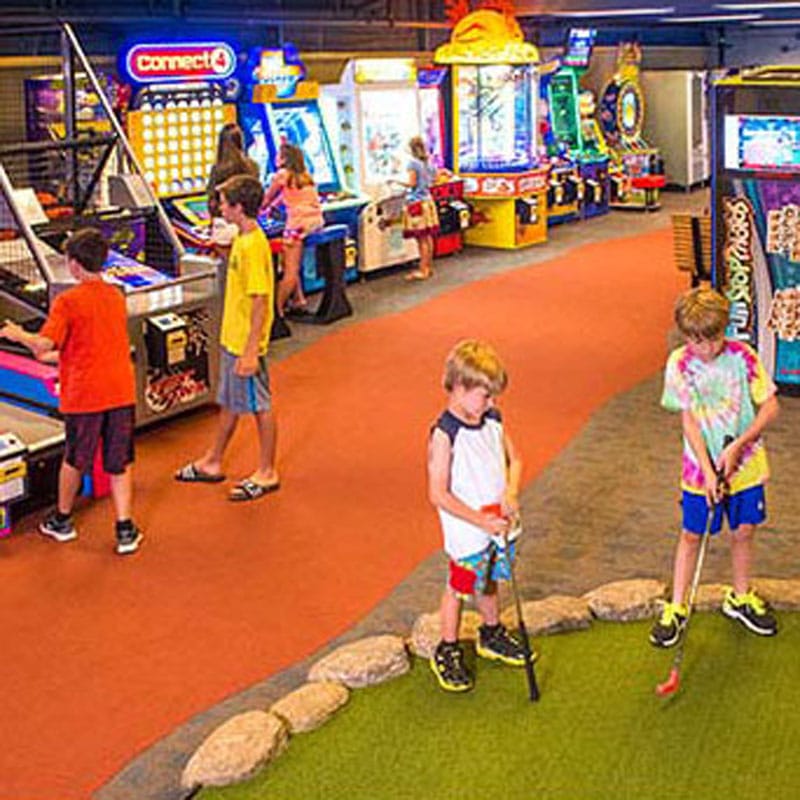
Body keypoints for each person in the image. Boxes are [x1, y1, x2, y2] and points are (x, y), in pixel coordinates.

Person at [650, 287, 780, 648]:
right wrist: (708, 471)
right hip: (698, 469)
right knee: (693, 534)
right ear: (685, 336)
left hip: (747, 465)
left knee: (744, 530)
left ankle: (739, 598)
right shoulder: (679, 363)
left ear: (725, 330)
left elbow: (770, 407)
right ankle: (676, 607)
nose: (706, 349)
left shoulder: (743, 357)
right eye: (696, 341)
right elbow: (689, 422)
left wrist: (740, 444)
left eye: (713, 339)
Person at [0, 228, 142, 555]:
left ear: (74, 264)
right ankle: (124, 528)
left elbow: (44, 344)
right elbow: (85, 346)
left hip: (85, 394)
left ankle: (62, 520)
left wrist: (17, 334)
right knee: (119, 462)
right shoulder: (115, 296)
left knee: (75, 458)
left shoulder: (68, 301)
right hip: (120, 390)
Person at [427, 339, 531, 692]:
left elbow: (514, 459)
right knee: (459, 586)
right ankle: (448, 646)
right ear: (458, 388)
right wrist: (478, 520)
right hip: (468, 531)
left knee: (489, 579)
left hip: (497, 524)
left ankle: (490, 632)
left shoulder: (493, 420)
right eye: (484, 395)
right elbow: (438, 493)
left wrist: (511, 491)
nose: (492, 403)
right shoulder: (445, 434)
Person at [175, 175, 280, 501]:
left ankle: (267, 470)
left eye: (224, 203)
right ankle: (213, 459)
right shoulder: (244, 240)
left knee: (259, 404)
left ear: (238, 207)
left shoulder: (251, 246)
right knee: (230, 402)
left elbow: (261, 300)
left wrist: (250, 351)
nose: (219, 207)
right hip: (233, 336)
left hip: (244, 341)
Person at [261, 142, 324, 316]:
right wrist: (273, 206)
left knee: (289, 271)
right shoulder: (305, 176)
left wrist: (259, 209)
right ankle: (299, 299)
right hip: (315, 221)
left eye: (278, 155)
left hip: (297, 224)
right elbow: (284, 197)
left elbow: (266, 198)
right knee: (289, 260)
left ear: (284, 159)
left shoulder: (281, 175)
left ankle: (275, 312)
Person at [206, 123, 259, 250]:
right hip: (248, 225)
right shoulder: (253, 166)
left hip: (224, 227)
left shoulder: (218, 169)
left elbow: (212, 201)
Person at [402, 136, 440, 282]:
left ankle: (422, 270)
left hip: (416, 203)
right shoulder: (429, 163)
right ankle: (427, 267)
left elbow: (411, 184)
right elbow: (435, 179)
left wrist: (396, 182)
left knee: (421, 239)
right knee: (428, 237)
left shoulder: (412, 163)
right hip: (428, 201)